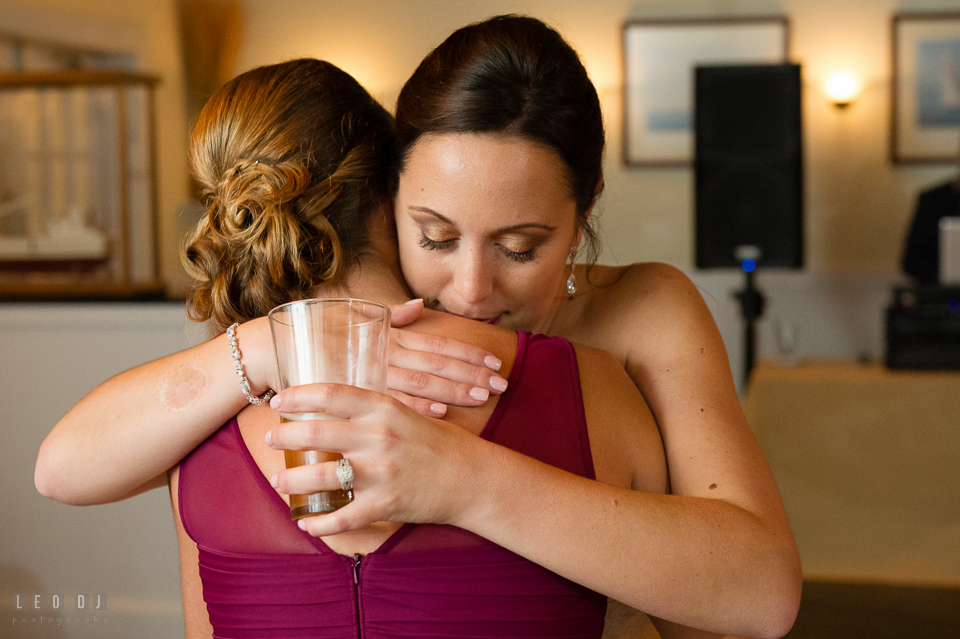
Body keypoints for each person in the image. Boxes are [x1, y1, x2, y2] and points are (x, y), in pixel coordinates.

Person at [37, 15, 801, 639]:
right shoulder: (300, 345)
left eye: (520, 247)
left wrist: (464, 480)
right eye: (434, 236)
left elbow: (755, 594)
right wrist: (271, 341)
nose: (469, 290)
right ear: (387, 198)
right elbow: (66, 469)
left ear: (585, 208)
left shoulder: (643, 313)